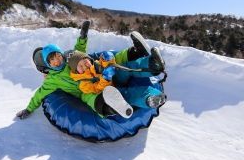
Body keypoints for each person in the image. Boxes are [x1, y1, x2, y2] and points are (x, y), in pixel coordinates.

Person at [16, 21, 164, 120]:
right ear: (48, 66)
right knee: (94, 99)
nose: (57, 60)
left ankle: (149, 62)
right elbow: (38, 95)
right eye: (52, 60)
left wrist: (83, 36)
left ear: (61, 54)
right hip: (85, 90)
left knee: (117, 65)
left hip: (97, 73)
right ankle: (124, 103)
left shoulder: (69, 59)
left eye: (57, 56)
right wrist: (28, 109)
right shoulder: (51, 81)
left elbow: (79, 52)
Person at [66, 35, 166, 111]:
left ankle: (153, 64)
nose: (85, 66)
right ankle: (151, 98)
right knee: (128, 94)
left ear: (87, 58)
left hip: (116, 78)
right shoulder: (83, 84)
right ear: (76, 71)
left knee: (127, 67)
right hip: (111, 91)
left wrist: (108, 58)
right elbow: (97, 90)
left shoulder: (96, 63)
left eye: (84, 62)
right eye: (80, 66)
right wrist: (105, 79)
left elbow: (110, 64)